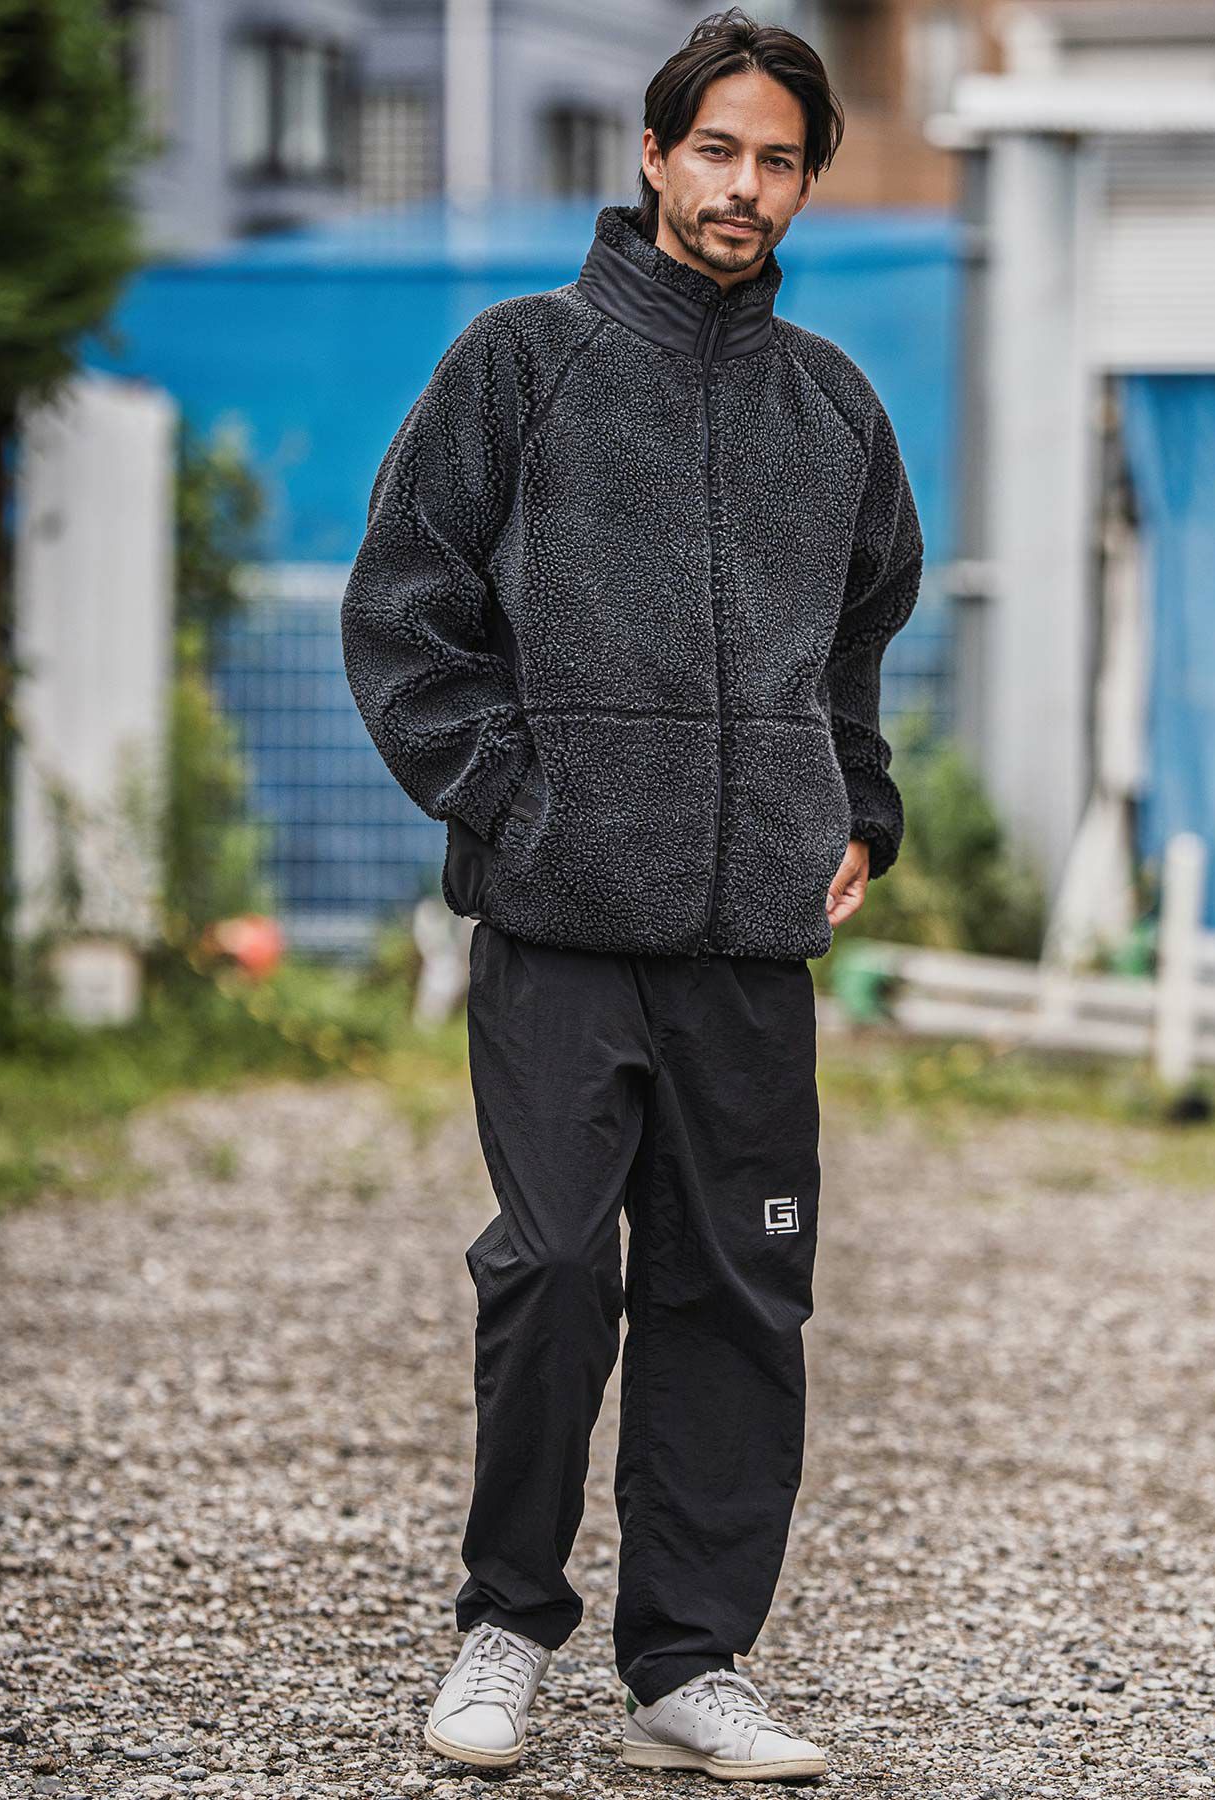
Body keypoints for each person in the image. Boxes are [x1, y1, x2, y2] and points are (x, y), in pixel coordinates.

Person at [340, 5, 923, 1784]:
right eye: (717, 150)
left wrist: (860, 803)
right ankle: (505, 1626)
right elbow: (404, 612)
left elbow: (860, 634)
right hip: (562, 924)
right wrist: (514, 802)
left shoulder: (834, 407)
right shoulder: (520, 365)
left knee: (741, 1291)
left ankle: (690, 1661)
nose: (743, 186)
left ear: (805, 183)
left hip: (751, 941)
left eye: (778, 160)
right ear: (656, 153)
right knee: (548, 1270)